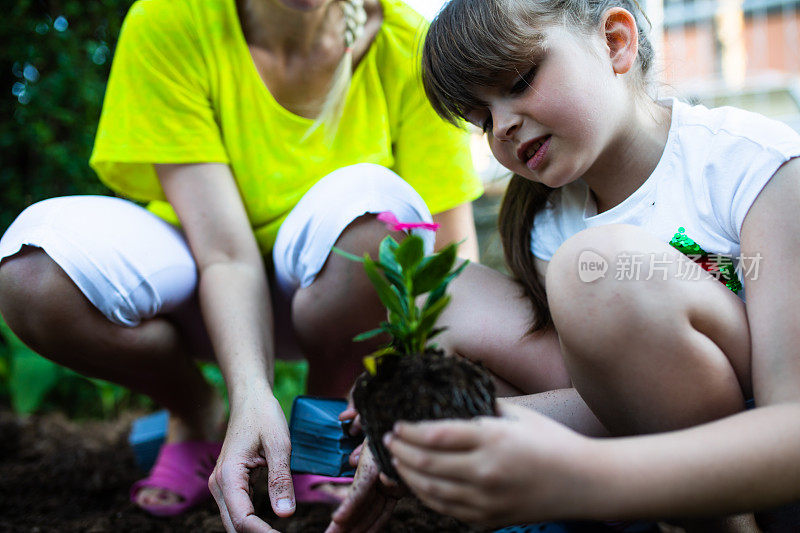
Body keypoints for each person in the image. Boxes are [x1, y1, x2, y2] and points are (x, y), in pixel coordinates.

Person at [0, 0, 556, 529]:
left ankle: (327, 407)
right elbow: (225, 252)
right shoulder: (171, 20)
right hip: (203, 281)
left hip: (338, 299)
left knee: (378, 208)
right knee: (32, 274)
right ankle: (194, 410)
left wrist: (411, 395)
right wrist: (251, 392)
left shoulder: (408, 41)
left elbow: (447, 252)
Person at [372, 0, 800, 530]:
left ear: (615, 42)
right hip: (644, 441)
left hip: (764, 460)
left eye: (520, 79)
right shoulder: (548, 221)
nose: (502, 126)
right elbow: (605, 397)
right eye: (482, 119)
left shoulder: (752, 167)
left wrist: (585, 477)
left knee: (594, 272)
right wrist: (417, 424)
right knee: (443, 296)